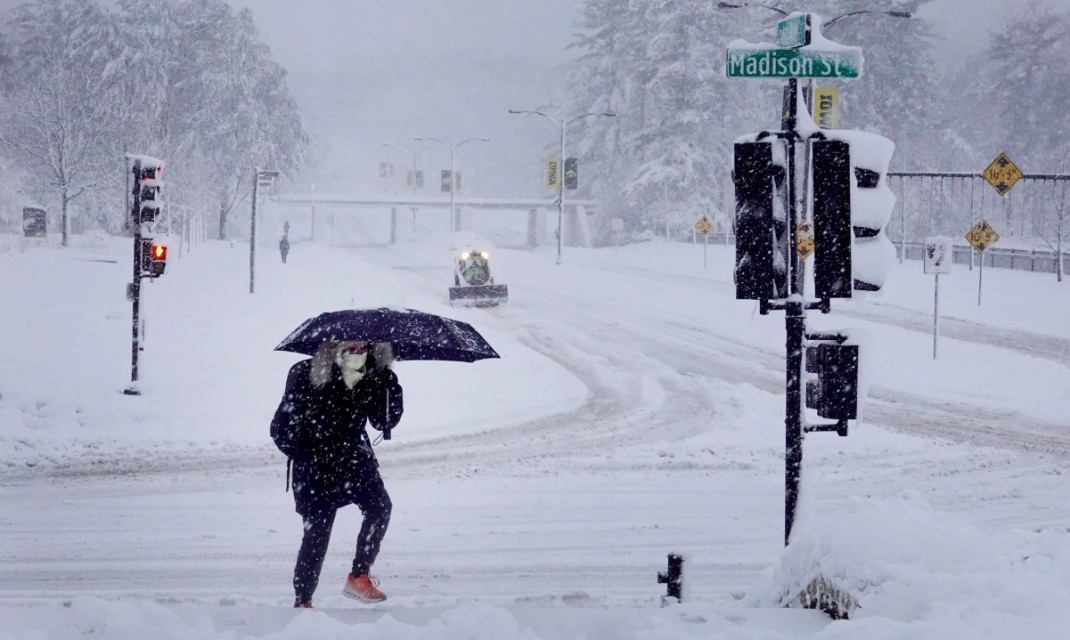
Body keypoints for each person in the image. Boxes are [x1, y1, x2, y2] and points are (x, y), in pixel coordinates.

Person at [270, 340, 403, 608]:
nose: (356, 352)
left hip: (355, 459)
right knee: (317, 533)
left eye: (361, 347)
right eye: (349, 346)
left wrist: (389, 385)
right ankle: (303, 599)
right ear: (334, 346)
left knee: (380, 508)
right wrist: (308, 453)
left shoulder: (375, 376)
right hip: (316, 466)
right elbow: (280, 428)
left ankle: (359, 576)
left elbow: (383, 422)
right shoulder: (307, 373)